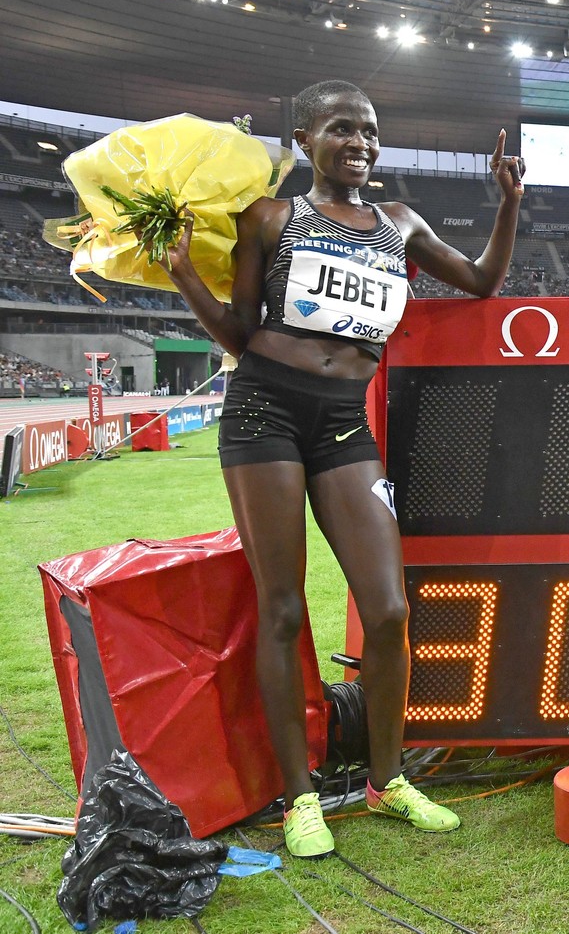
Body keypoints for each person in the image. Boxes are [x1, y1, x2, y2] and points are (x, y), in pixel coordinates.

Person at [160, 79, 523, 858]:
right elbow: (240, 331)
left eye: (369, 131)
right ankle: (300, 797)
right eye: (341, 129)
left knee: (389, 608)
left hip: (341, 423)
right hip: (264, 414)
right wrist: (188, 275)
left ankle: (386, 780)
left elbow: (483, 281)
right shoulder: (269, 218)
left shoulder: (400, 223)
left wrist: (507, 202)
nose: (360, 142)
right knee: (284, 608)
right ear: (304, 141)